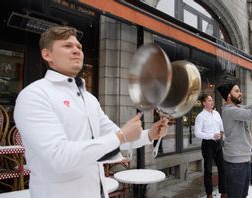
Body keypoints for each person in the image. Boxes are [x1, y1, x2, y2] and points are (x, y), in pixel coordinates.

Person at [13, 26, 168, 198]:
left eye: (79, 47)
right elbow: (59, 157)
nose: (76, 51)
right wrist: (121, 136)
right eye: (67, 46)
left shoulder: (89, 98)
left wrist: (149, 135)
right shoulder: (34, 95)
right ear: (47, 55)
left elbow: (113, 136)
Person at [217, 78, 252, 198]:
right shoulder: (230, 111)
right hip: (235, 164)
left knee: (243, 194)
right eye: (237, 91)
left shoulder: (238, 108)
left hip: (243, 160)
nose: (240, 93)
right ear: (228, 96)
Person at [195, 94, 226, 198]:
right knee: (208, 171)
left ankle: (224, 192)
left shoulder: (217, 113)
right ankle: (209, 194)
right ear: (204, 103)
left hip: (218, 143)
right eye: (209, 100)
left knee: (222, 168)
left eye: (212, 100)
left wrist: (221, 134)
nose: (212, 102)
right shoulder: (200, 116)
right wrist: (211, 135)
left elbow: (222, 127)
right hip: (208, 145)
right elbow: (197, 133)